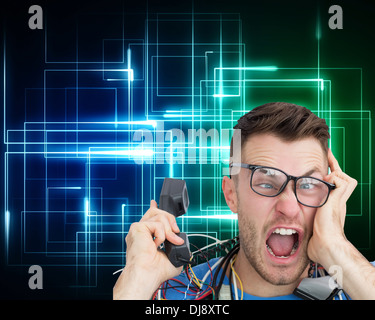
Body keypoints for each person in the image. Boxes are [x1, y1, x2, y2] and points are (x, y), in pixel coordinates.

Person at [113, 102, 375, 300]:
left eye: (307, 185)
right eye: (265, 183)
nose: (289, 207)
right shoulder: (178, 293)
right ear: (231, 195)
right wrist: (135, 283)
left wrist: (339, 251)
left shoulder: (362, 278)